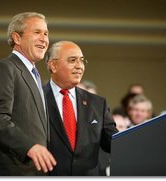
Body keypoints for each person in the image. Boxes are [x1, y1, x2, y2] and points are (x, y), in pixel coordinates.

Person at [0, 12, 56, 176]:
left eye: (46, 33)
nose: (44, 38)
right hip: (9, 170)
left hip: (32, 171)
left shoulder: (34, 75)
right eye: (37, 32)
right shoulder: (4, 69)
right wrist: (29, 146)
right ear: (17, 38)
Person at [43, 41, 118, 176]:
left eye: (82, 61)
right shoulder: (36, 98)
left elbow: (113, 142)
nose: (79, 66)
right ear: (53, 65)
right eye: (72, 60)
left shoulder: (98, 103)